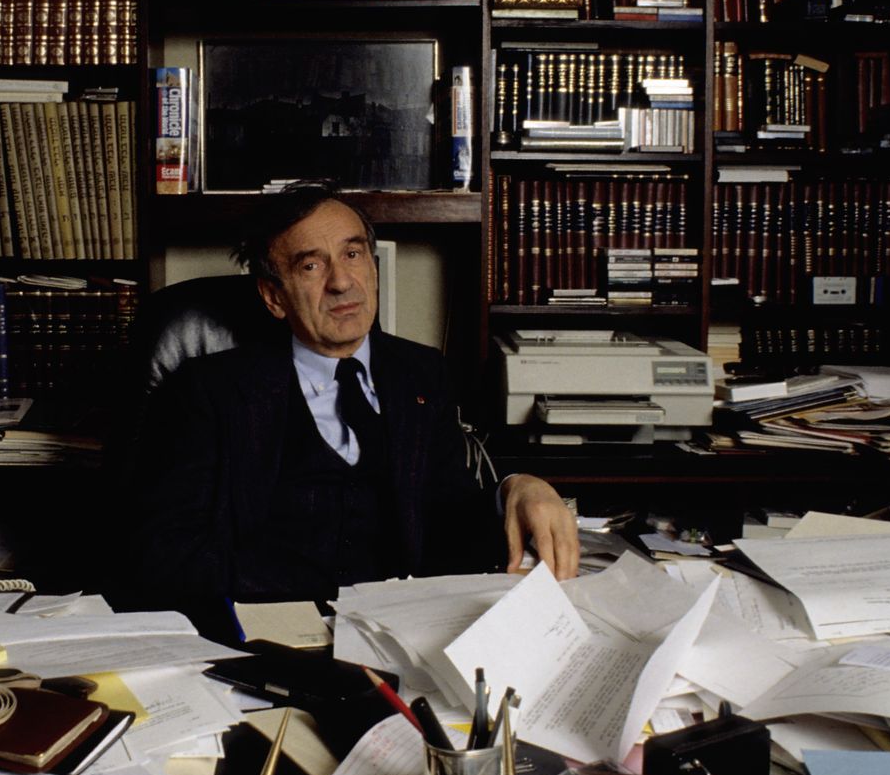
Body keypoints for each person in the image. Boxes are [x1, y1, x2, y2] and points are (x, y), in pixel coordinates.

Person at [132, 184, 579, 631]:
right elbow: (166, 552)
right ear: (273, 296)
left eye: (353, 255)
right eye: (310, 265)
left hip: (402, 629)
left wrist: (515, 489)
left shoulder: (422, 374)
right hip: (268, 638)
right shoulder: (207, 390)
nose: (342, 281)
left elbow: (450, 521)